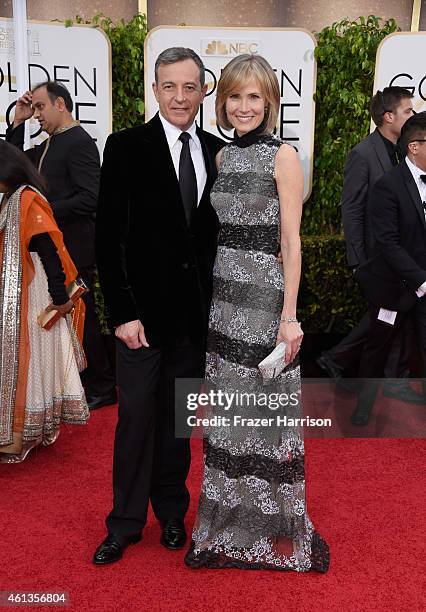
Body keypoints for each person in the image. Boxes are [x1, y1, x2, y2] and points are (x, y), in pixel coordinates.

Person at [184, 54, 329, 572]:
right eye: (234, 96)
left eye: (254, 97)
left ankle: (271, 515)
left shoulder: (283, 156)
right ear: (221, 101)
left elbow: (292, 242)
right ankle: (225, 518)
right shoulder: (221, 158)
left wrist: (289, 316)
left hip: (266, 300)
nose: (243, 107)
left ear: (268, 103)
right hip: (224, 301)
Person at [93, 47, 224, 565]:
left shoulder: (217, 151)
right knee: (136, 422)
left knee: (177, 422)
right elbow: (108, 240)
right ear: (155, 89)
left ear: (203, 90)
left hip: (194, 322)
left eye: (190, 86)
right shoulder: (126, 147)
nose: (180, 97)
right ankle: (124, 522)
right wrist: (122, 312)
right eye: (170, 86)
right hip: (141, 322)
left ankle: (171, 512)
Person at [6, 81, 116, 410]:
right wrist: (17, 122)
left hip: (76, 247)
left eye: (40, 107)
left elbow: (91, 197)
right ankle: (86, 380)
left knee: (85, 317)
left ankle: (104, 384)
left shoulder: (78, 142)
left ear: (60, 105)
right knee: (69, 318)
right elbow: (11, 166)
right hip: (56, 249)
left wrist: (44, 212)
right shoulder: (50, 143)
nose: (37, 114)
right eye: (33, 108)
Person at [317, 88, 421, 405]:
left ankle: (357, 367)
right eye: (408, 111)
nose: (413, 116)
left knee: (392, 314)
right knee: (387, 314)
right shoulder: (363, 154)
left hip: (404, 257)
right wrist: (358, 261)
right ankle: (340, 360)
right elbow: (351, 209)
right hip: (377, 260)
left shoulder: (406, 152)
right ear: (388, 117)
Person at [0, 139, 88, 463]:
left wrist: (60, 298)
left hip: (35, 291)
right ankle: (18, 430)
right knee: (21, 359)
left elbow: (49, 251)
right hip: (17, 290)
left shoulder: (27, 199)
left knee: (29, 359)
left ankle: (22, 434)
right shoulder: (12, 197)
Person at [352, 112, 426, 424]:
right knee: (377, 349)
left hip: (423, 286)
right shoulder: (388, 186)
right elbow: (388, 243)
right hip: (393, 287)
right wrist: (421, 279)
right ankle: (362, 409)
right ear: (414, 147)